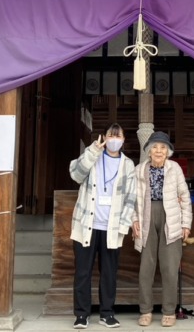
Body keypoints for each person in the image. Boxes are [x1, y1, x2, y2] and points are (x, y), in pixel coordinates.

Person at [69, 123, 137, 329]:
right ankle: (82, 314)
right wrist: (92, 152)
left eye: (118, 136)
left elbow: (130, 198)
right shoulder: (93, 156)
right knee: (83, 272)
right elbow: (76, 175)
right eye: (111, 135)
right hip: (86, 225)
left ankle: (107, 313)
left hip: (112, 228)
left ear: (123, 140)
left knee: (109, 273)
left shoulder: (128, 164)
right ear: (104, 138)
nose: (114, 139)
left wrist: (123, 227)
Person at [132, 131, 192, 328]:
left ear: (168, 152)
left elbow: (184, 196)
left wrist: (185, 224)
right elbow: (131, 199)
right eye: (155, 147)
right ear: (149, 151)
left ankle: (169, 311)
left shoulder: (174, 168)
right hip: (146, 217)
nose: (158, 151)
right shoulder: (139, 170)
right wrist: (134, 220)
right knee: (146, 268)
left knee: (170, 267)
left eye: (163, 147)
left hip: (171, 219)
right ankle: (145, 310)